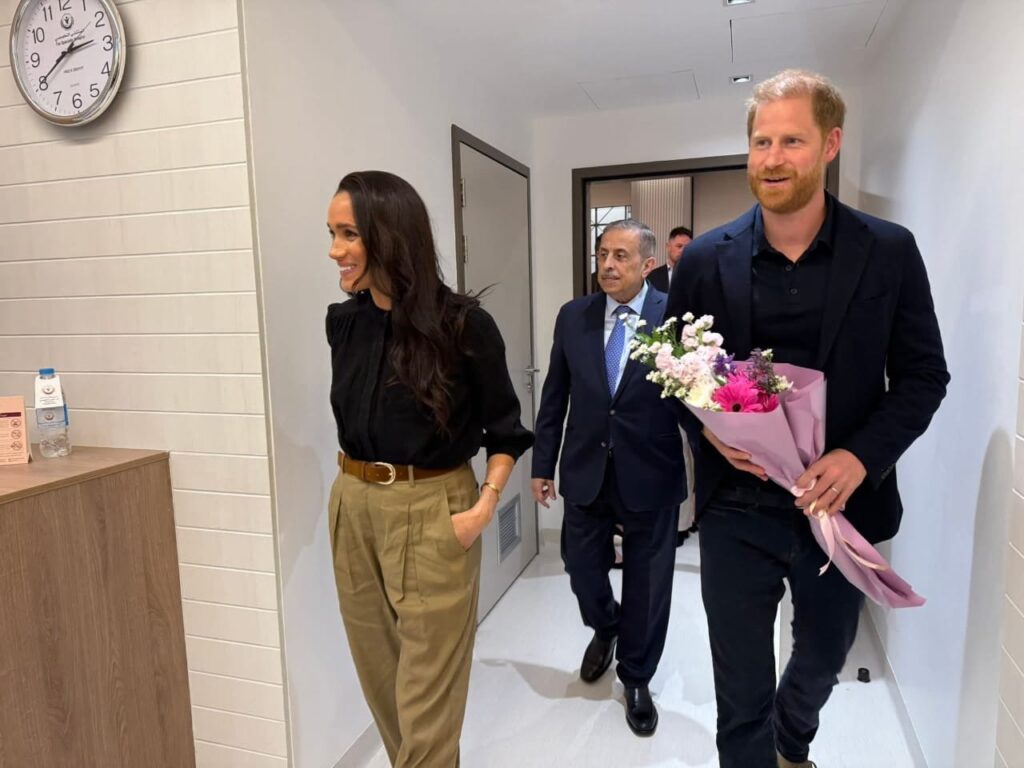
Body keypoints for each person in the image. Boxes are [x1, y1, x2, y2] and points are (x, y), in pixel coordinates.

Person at [666, 70, 949, 768]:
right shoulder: (704, 259)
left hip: (841, 508)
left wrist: (861, 457)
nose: (772, 157)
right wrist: (707, 427)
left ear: (831, 143)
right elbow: (670, 375)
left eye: (792, 139)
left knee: (822, 659)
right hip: (738, 508)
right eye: (762, 140)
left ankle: (794, 740)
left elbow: (923, 376)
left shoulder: (888, 250)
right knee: (740, 694)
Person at [324, 170, 533, 767]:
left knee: (428, 693)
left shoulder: (463, 326)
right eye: (332, 233)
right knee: (381, 674)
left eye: (348, 234)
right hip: (353, 502)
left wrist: (483, 508)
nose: (334, 250)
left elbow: (506, 432)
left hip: (434, 505)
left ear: (389, 236)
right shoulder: (346, 323)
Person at [532, 219, 687, 737]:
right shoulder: (573, 316)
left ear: (648, 265)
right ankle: (605, 626)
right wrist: (542, 464)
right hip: (585, 467)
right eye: (602, 254)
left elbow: (698, 399)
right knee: (579, 564)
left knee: (648, 580)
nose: (608, 265)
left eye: (621, 256)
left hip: (651, 470)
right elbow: (555, 395)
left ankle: (637, 677)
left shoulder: (677, 319)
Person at [647, 225, 693, 292]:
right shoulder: (652, 277)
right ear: (668, 247)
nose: (683, 250)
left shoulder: (696, 276)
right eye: (679, 246)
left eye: (687, 247)